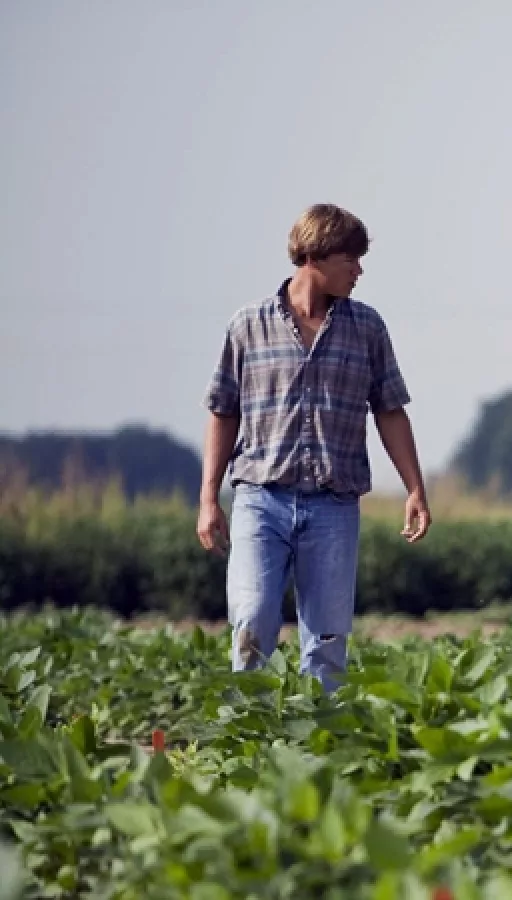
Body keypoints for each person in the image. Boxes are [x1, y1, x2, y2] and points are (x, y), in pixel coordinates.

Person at [196, 203, 431, 692]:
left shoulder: (367, 328)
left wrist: (415, 488)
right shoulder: (248, 325)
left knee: (327, 640)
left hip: (333, 504)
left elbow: (390, 410)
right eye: (351, 259)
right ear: (315, 256)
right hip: (260, 499)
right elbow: (223, 411)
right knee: (252, 620)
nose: (359, 270)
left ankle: (322, 731)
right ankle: (250, 726)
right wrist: (208, 499)